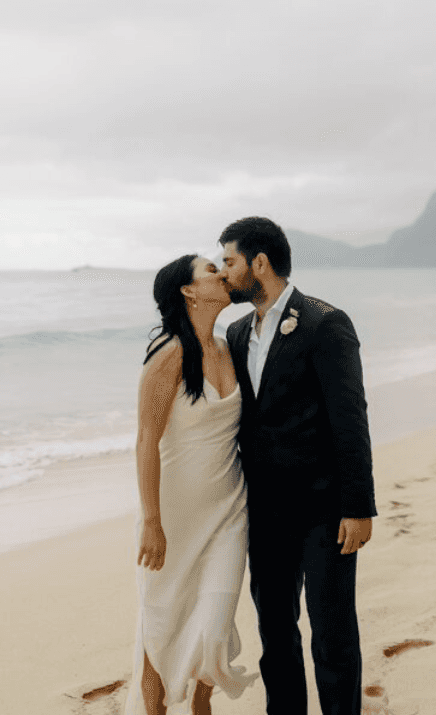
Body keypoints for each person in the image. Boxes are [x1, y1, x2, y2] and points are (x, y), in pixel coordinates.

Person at [218, 217, 377, 715]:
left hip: (324, 509)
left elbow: (350, 419)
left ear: (259, 263)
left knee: (331, 633)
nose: (225, 273)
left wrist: (358, 507)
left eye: (230, 261)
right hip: (265, 512)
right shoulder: (239, 332)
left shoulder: (325, 323)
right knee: (275, 633)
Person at [125, 253, 256, 715]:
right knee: (161, 623)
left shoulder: (228, 346)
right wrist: (151, 521)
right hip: (175, 515)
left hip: (229, 510)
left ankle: (202, 705)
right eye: (210, 271)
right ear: (189, 291)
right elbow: (145, 440)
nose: (222, 274)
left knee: (214, 626)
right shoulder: (168, 354)